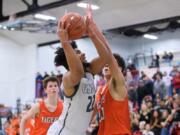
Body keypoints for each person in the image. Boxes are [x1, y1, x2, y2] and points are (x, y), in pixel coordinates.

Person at [47, 13, 109, 135]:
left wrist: (92, 35)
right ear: (70, 59)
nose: (83, 54)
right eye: (77, 53)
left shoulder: (89, 70)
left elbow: (105, 57)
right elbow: (78, 72)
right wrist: (65, 42)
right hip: (63, 132)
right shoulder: (67, 78)